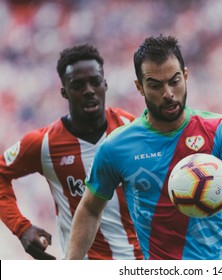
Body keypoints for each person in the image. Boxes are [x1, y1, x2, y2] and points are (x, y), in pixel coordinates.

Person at [66, 35, 222, 260]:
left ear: (186, 76)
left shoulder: (218, 129)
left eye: (174, 80)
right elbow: (90, 209)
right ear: (139, 87)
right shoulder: (116, 147)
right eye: (155, 85)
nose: (168, 93)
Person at [0, 44, 143, 260]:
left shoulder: (131, 129)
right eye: (77, 85)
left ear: (105, 84)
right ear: (64, 92)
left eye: (95, 82)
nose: (88, 90)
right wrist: (21, 228)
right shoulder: (45, 143)